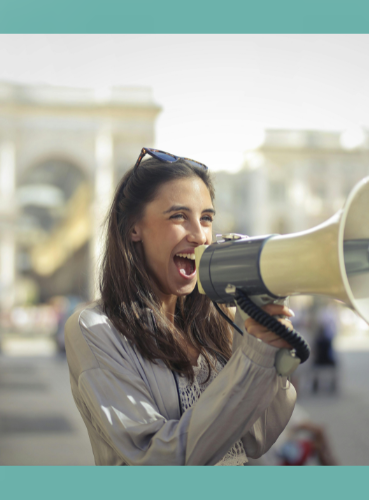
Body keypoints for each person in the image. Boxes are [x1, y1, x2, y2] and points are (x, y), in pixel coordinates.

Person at [64, 148, 299, 465]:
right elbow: (157, 459)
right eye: (178, 216)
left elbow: (256, 437)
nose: (201, 235)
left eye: (206, 219)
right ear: (134, 227)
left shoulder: (221, 319)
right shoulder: (94, 329)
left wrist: (272, 357)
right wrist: (252, 361)